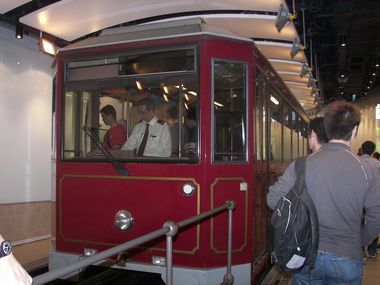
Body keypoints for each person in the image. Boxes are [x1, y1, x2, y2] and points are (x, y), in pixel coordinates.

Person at [267, 100, 380, 284]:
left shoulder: (301, 165)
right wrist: (361, 239)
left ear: (326, 130)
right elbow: (376, 215)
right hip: (348, 257)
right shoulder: (367, 169)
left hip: (307, 255)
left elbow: (273, 200)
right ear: (355, 131)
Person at [361, 140, 380, 258]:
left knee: (359, 223)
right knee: (374, 222)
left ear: (362, 149)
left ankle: (361, 250)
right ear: (373, 151)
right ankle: (372, 250)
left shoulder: (356, 161)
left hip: (359, 197)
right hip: (375, 196)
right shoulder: (377, 163)